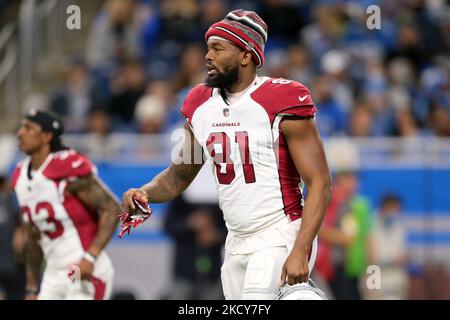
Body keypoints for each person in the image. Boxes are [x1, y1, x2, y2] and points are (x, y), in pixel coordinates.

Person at [122, 9, 332, 300]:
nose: (207, 56)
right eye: (208, 48)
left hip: (279, 232)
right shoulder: (199, 103)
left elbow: (320, 181)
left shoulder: (280, 99)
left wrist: (301, 248)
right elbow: (180, 174)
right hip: (235, 240)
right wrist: (145, 192)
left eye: (218, 48)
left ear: (246, 55)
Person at [12, 109, 121, 300]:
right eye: (21, 127)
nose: (20, 133)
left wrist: (91, 256)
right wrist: (31, 286)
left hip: (80, 266)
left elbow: (112, 208)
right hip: (53, 271)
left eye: (28, 128)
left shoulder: (65, 166)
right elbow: (31, 235)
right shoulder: (20, 175)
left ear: (46, 136)